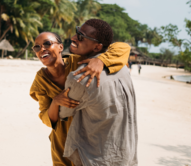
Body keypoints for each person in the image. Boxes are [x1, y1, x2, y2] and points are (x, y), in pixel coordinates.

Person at [29, 20, 131, 166]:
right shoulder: (40, 80)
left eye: (47, 44)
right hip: (61, 142)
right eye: (37, 47)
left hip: (86, 140)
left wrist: (102, 60)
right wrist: (56, 101)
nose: (41, 49)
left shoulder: (79, 62)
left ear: (60, 47)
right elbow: (46, 119)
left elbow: (123, 48)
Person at [59, 19, 138, 166]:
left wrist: (57, 98)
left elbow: (63, 112)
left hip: (93, 158)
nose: (74, 38)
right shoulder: (122, 68)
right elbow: (122, 47)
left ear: (97, 47)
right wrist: (102, 60)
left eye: (81, 36)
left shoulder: (80, 77)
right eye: (77, 32)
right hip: (125, 155)